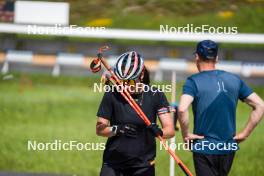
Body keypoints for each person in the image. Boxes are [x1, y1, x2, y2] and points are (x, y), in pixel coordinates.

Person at [178, 40, 264, 176]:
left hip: (204, 147)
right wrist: (245, 134)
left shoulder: (192, 81)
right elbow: (260, 105)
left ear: (197, 57)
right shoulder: (235, 79)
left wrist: (186, 135)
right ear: (216, 58)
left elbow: (182, 109)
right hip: (228, 147)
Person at [96, 51, 175, 176]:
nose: (125, 86)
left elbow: (170, 130)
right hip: (113, 164)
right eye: (122, 81)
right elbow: (100, 129)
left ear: (142, 74)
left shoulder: (155, 95)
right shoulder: (112, 94)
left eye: (130, 82)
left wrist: (159, 132)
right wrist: (117, 129)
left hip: (143, 165)